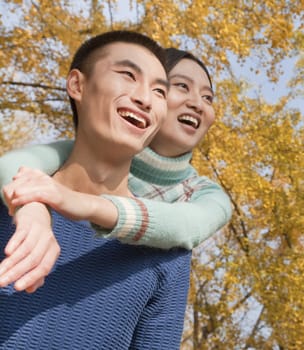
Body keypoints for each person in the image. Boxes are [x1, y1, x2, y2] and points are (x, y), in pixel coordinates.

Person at [0, 30, 191, 349]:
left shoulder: (167, 252)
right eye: (128, 75)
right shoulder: (8, 202)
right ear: (77, 85)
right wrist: (31, 205)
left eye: (159, 92)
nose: (145, 99)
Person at [0, 48, 232, 293]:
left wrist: (83, 203)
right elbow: (12, 167)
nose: (197, 104)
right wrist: (33, 210)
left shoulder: (205, 195)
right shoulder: (79, 153)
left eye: (208, 98)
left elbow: (185, 226)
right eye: (182, 86)